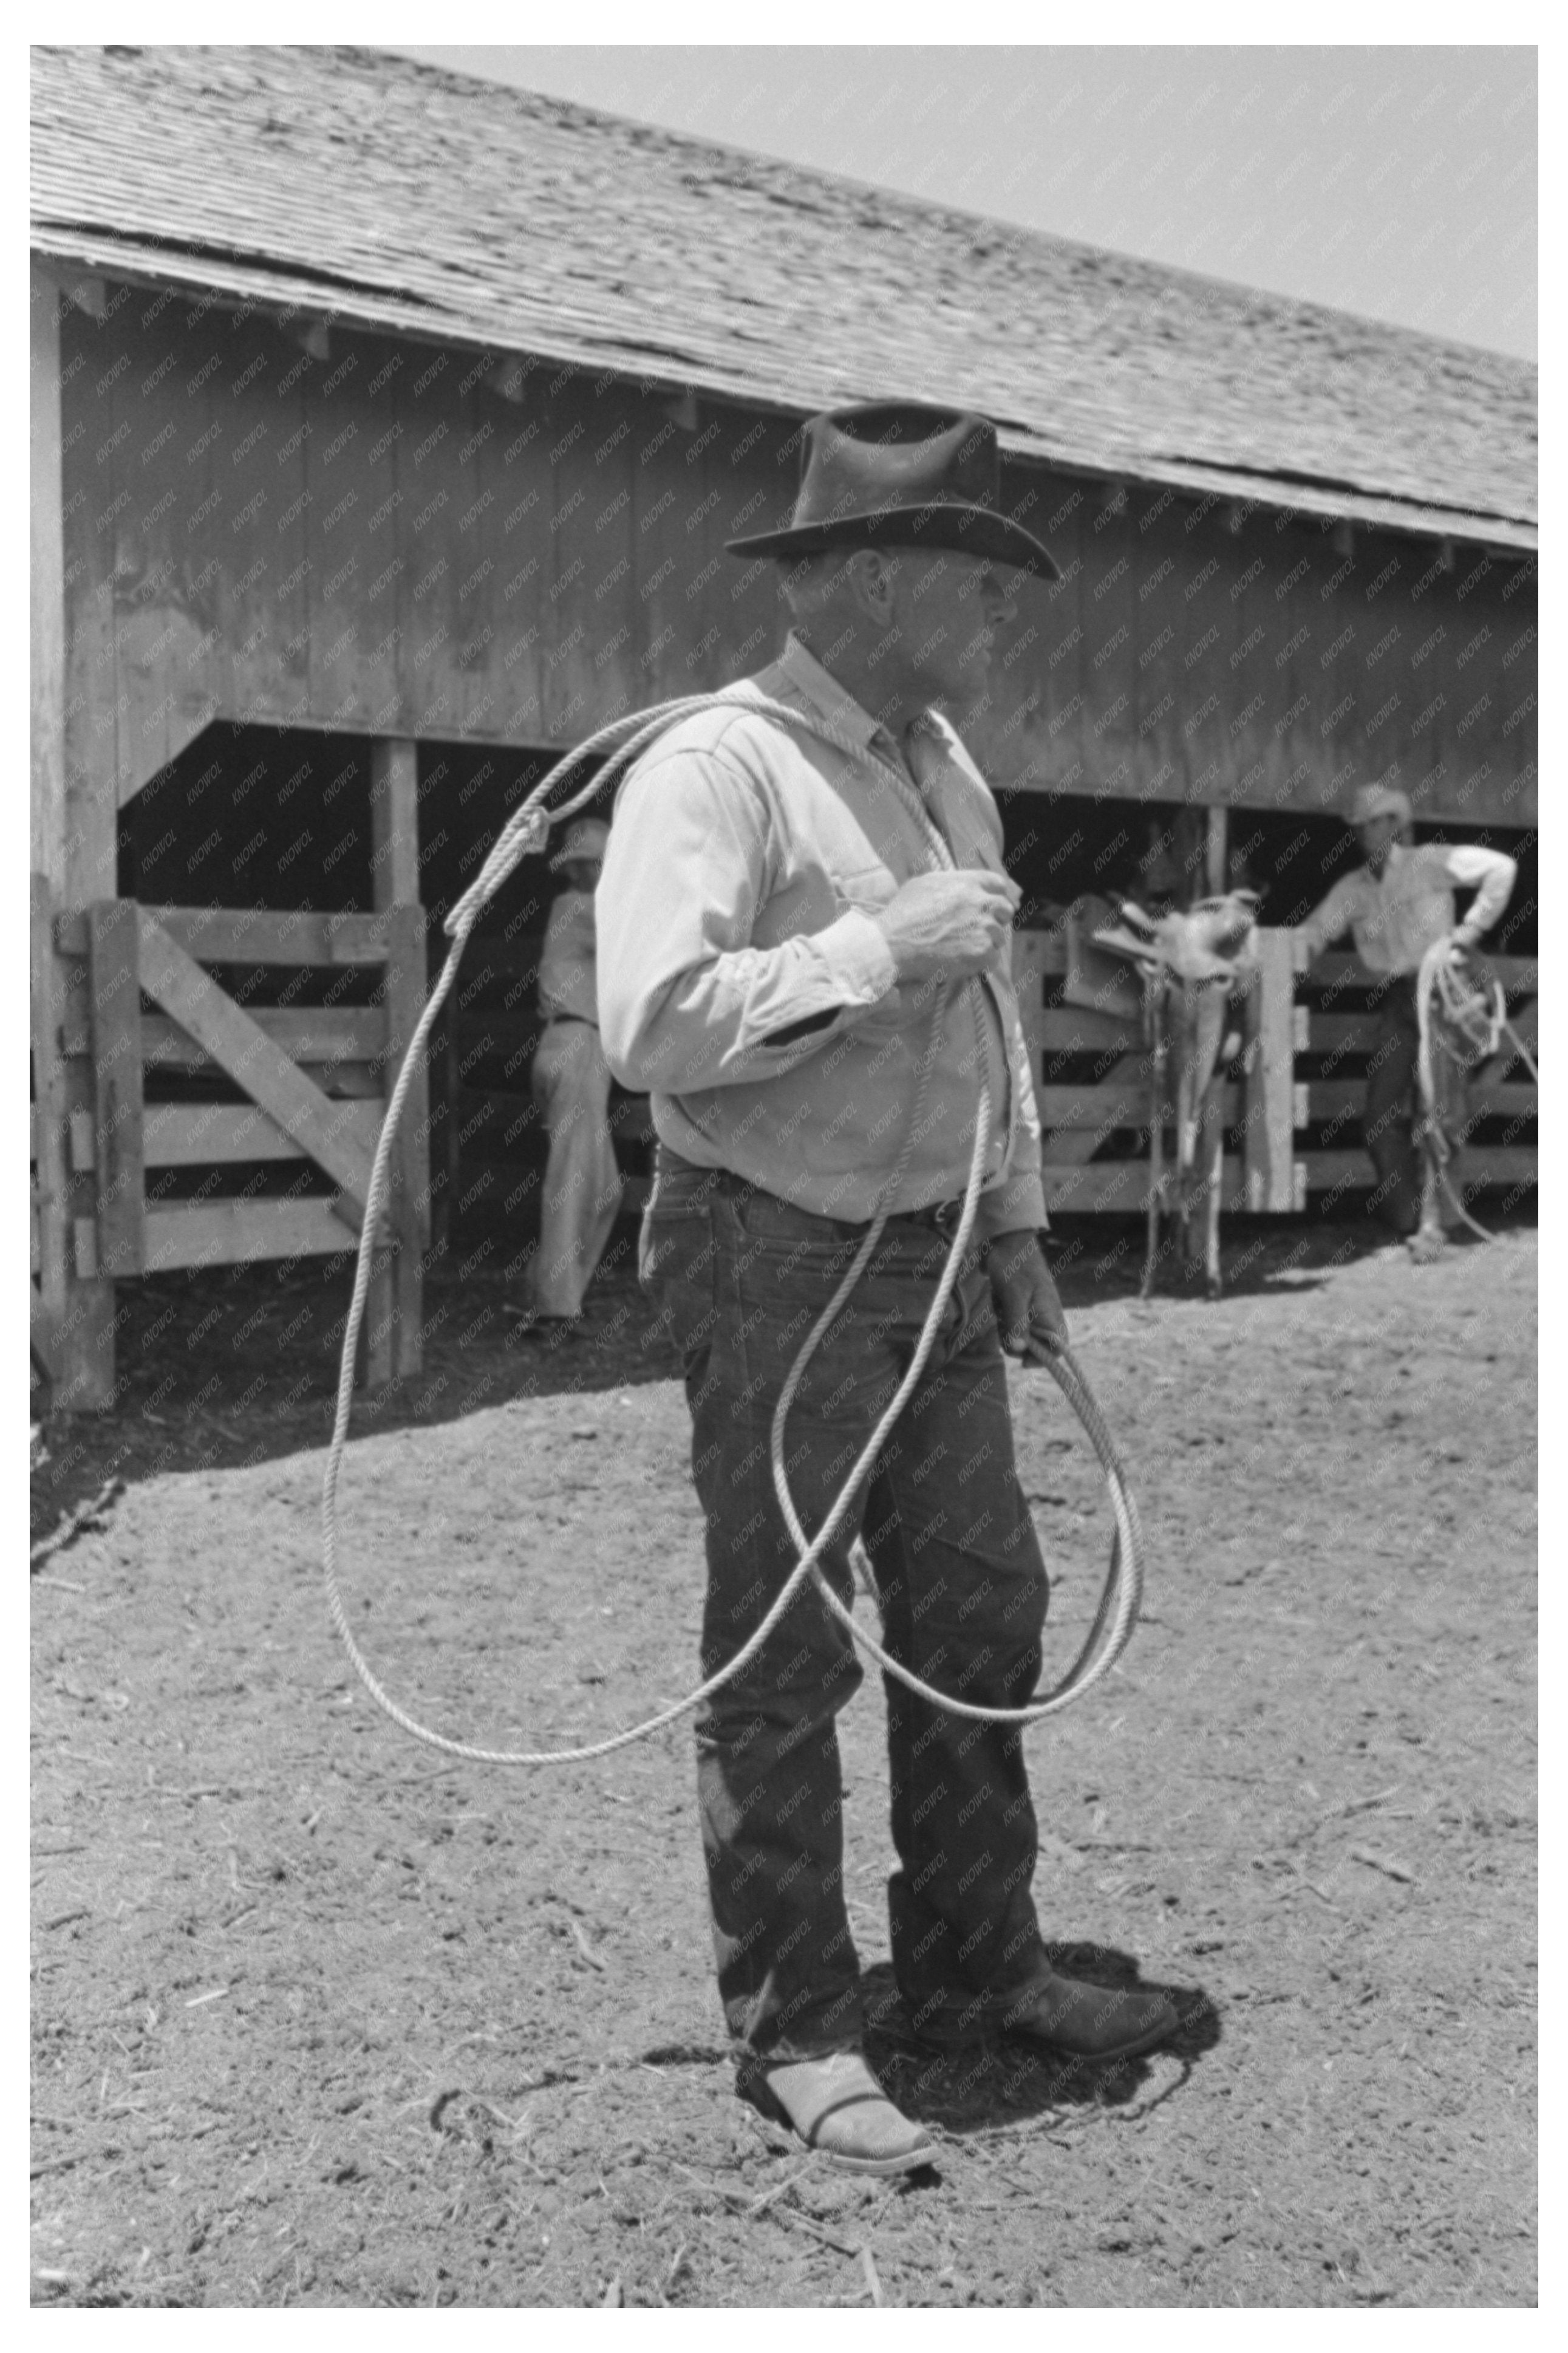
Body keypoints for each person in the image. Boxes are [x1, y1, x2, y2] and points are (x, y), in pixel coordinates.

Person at [597, 405, 1178, 2177]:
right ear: (860, 578)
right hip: (766, 1240)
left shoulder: (946, 770)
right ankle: (794, 2026)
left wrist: (1011, 1221)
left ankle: (974, 1964)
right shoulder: (716, 765)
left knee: (975, 1617)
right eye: (974, 580)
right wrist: (872, 946)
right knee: (779, 1647)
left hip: (931, 1257)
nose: (1002, 618)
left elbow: (982, 1022)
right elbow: (645, 1027)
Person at [1294, 783, 1516, 1243]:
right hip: (1399, 997)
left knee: (1441, 1106)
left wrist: (1469, 932)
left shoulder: (1429, 862)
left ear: (1394, 825)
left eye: (1375, 823)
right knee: (1380, 1115)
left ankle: (1438, 1223)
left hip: (1442, 990)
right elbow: (1314, 932)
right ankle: (1407, 1217)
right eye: (1360, 826)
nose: (1366, 832)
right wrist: (1282, 959)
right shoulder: (1353, 890)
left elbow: (1502, 868)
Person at [526, 817, 624, 1325]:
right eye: (599, 864)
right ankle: (556, 1310)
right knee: (576, 1178)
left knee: (603, 1186)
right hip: (579, 1045)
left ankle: (550, 1290)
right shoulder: (582, 909)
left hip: (569, 1046)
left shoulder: (575, 909)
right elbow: (636, 942)